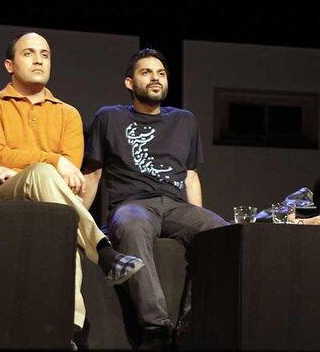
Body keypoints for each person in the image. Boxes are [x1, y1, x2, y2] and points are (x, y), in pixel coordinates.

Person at [0, 32, 144, 348]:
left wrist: (29, 167)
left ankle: (66, 334)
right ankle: (104, 252)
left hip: (49, 196)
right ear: (9, 65)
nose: (38, 60)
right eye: (28, 53)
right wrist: (53, 161)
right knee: (44, 174)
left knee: (63, 220)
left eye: (45, 54)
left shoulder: (68, 113)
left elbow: (70, 177)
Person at [82, 48, 228, 350]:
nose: (155, 78)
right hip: (132, 204)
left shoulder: (184, 120)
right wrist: (80, 222)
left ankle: (189, 323)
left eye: (161, 73)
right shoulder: (110, 117)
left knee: (221, 233)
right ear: (129, 82)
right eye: (146, 72)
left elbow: (190, 176)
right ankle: (156, 327)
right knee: (131, 226)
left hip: (176, 206)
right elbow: (93, 173)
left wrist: (197, 222)